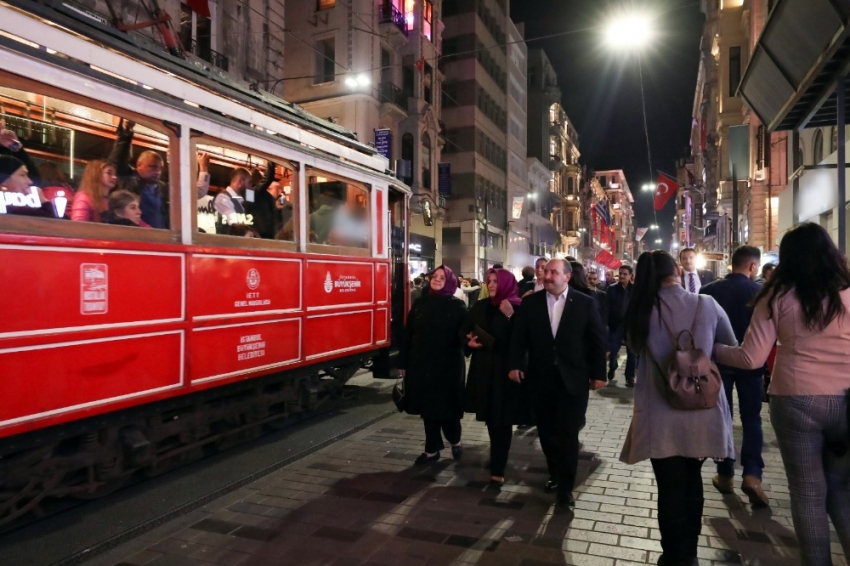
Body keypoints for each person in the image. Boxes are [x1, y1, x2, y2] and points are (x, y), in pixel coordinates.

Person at [713, 223, 850, 565]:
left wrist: (713, 350)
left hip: (796, 399)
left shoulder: (776, 296)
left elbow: (750, 357)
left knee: (807, 494)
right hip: (847, 400)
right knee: (842, 492)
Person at [620, 250, 736, 566]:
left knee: (669, 489)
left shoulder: (641, 312)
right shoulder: (706, 304)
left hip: (659, 415)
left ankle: (674, 556)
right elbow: (729, 346)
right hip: (702, 409)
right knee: (693, 483)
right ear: (677, 270)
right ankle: (690, 555)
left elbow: (632, 346)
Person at [508, 259, 607, 507]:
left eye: (553, 272)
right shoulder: (531, 303)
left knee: (568, 433)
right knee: (546, 431)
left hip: (572, 379)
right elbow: (519, 337)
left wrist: (599, 374)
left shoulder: (584, 303)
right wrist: (515, 364)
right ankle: (555, 472)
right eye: (545, 271)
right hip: (540, 378)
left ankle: (566, 486)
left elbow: (596, 340)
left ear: (567, 276)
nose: (547, 276)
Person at [700, 245, 769, 507]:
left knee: (723, 417)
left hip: (718, 365)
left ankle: (725, 473)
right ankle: (752, 474)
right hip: (752, 366)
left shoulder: (709, 291)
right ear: (753, 266)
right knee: (752, 419)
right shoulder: (762, 293)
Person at [463, 269, 531, 485]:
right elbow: (464, 329)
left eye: (495, 281)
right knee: (492, 418)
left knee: (502, 420)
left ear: (506, 284)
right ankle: (496, 458)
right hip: (483, 370)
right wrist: (468, 342)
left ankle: (498, 466)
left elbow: (524, 340)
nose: (491, 285)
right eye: (489, 281)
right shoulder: (480, 306)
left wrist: (510, 315)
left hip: (505, 371)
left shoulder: (518, 307)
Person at [399, 265, 468, 464]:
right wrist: (403, 362)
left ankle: (455, 439)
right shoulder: (421, 303)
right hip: (422, 364)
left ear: (450, 282)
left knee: (447, 410)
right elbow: (408, 334)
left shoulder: (457, 306)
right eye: (434, 276)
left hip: (448, 367)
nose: (436, 280)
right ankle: (432, 449)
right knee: (428, 409)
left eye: (442, 278)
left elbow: (464, 335)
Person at [606, 265, 636, 386]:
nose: (622, 276)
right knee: (613, 351)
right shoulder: (612, 289)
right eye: (621, 273)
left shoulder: (636, 290)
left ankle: (630, 377)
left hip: (631, 326)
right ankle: (613, 366)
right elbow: (606, 307)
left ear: (630, 276)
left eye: (625, 274)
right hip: (615, 325)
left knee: (632, 353)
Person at [214, 167, 252, 232]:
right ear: (240, 181)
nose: (250, 187)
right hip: (226, 241)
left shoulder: (240, 199)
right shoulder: (223, 198)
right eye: (249, 183)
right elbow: (235, 224)